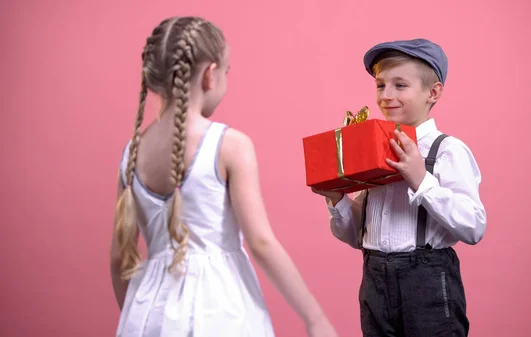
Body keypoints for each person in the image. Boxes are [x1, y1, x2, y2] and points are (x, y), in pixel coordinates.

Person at [110, 16, 338, 337]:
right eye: (227, 72)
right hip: (220, 309)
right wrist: (315, 318)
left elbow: (120, 256)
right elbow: (260, 242)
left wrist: (137, 314)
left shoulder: (131, 153)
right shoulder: (229, 145)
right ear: (210, 75)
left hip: (150, 310)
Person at [312, 38, 487, 336]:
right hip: (374, 280)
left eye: (400, 85)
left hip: (427, 282)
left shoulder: (446, 151)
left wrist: (421, 180)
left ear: (433, 92)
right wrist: (338, 199)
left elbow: (474, 227)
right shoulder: (374, 150)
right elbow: (357, 237)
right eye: (381, 85)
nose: (386, 95)